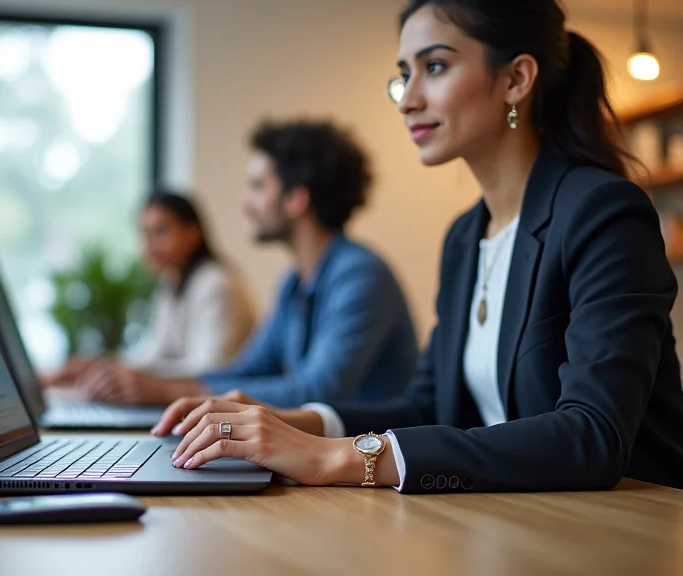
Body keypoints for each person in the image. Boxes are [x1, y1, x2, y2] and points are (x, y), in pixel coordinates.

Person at [152, 0, 683, 492]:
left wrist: (338, 458)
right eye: (404, 75)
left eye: (434, 67)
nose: (407, 99)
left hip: (627, 526)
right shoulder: (463, 237)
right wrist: (287, 423)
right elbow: (430, 404)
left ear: (516, 79)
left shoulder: (602, 212)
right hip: (516, 522)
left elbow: (592, 435)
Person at [77, 120, 419, 408]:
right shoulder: (293, 283)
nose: (247, 202)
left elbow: (318, 391)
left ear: (297, 198)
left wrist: (167, 391)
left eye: (257, 186)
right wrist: (147, 385)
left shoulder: (360, 275)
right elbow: (249, 370)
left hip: (371, 470)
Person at [45, 191, 256, 390]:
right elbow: (153, 355)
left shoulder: (218, 284)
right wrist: (100, 367)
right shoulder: (172, 284)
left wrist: (133, 377)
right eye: (145, 234)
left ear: (193, 233)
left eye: (160, 232)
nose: (149, 246)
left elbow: (212, 368)